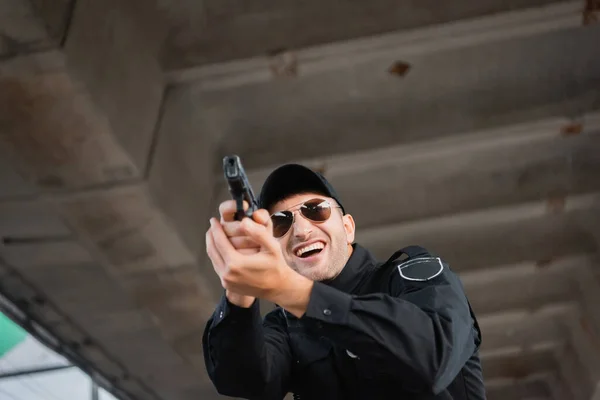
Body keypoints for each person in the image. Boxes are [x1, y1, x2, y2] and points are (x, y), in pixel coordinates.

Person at [202, 163, 486, 400]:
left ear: (348, 227)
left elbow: (435, 355)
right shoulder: (284, 326)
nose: (301, 230)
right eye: (281, 222)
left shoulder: (410, 278)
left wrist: (295, 292)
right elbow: (242, 379)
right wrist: (239, 292)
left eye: (316, 210)